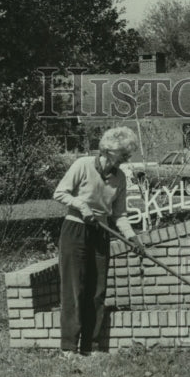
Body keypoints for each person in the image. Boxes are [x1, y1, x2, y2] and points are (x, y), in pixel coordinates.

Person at [53, 127, 145, 358]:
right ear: (110, 150)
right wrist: (83, 207)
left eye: (128, 154)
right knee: (75, 288)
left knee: (97, 290)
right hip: (75, 229)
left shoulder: (120, 177)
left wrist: (132, 238)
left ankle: (91, 346)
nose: (127, 159)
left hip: (100, 232)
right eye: (124, 154)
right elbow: (60, 193)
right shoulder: (83, 165)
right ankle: (69, 347)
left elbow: (119, 214)